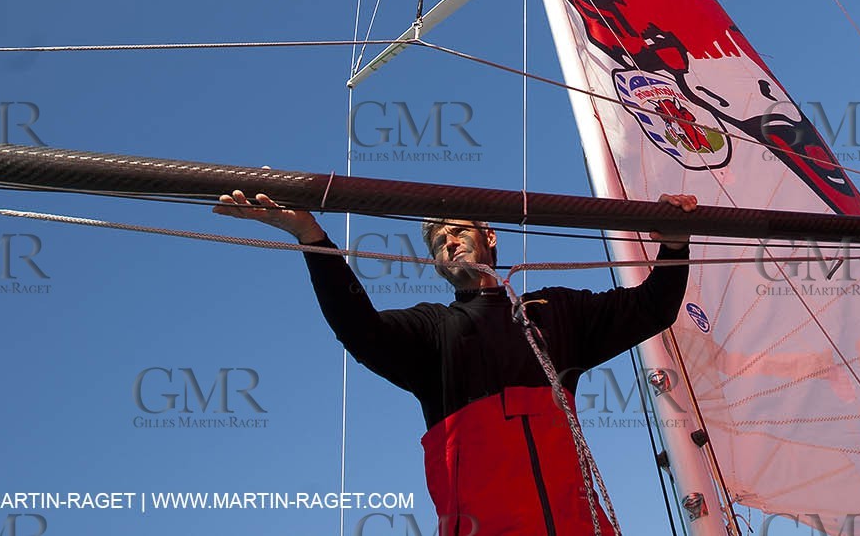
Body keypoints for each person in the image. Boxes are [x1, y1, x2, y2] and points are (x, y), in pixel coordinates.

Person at [214, 188, 698, 536]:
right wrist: (310, 235)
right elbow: (358, 329)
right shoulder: (433, 331)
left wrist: (675, 243)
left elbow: (651, 308)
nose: (447, 241)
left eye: (455, 229)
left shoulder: (555, 313)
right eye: (436, 240)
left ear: (488, 233)